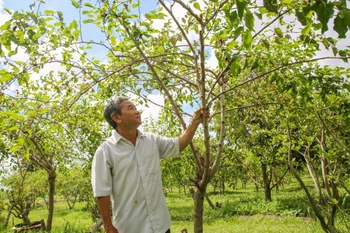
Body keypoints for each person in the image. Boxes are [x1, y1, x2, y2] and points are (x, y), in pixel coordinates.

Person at [91, 96, 209, 233]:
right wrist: (108, 225)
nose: (137, 111)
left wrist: (194, 122)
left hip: (161, 225)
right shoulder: (105, 151)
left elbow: (178, 144)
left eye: (135, 108)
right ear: (116, 117)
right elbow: (102, 192)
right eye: (130, 108)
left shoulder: (151, 140)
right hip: (130, 227)